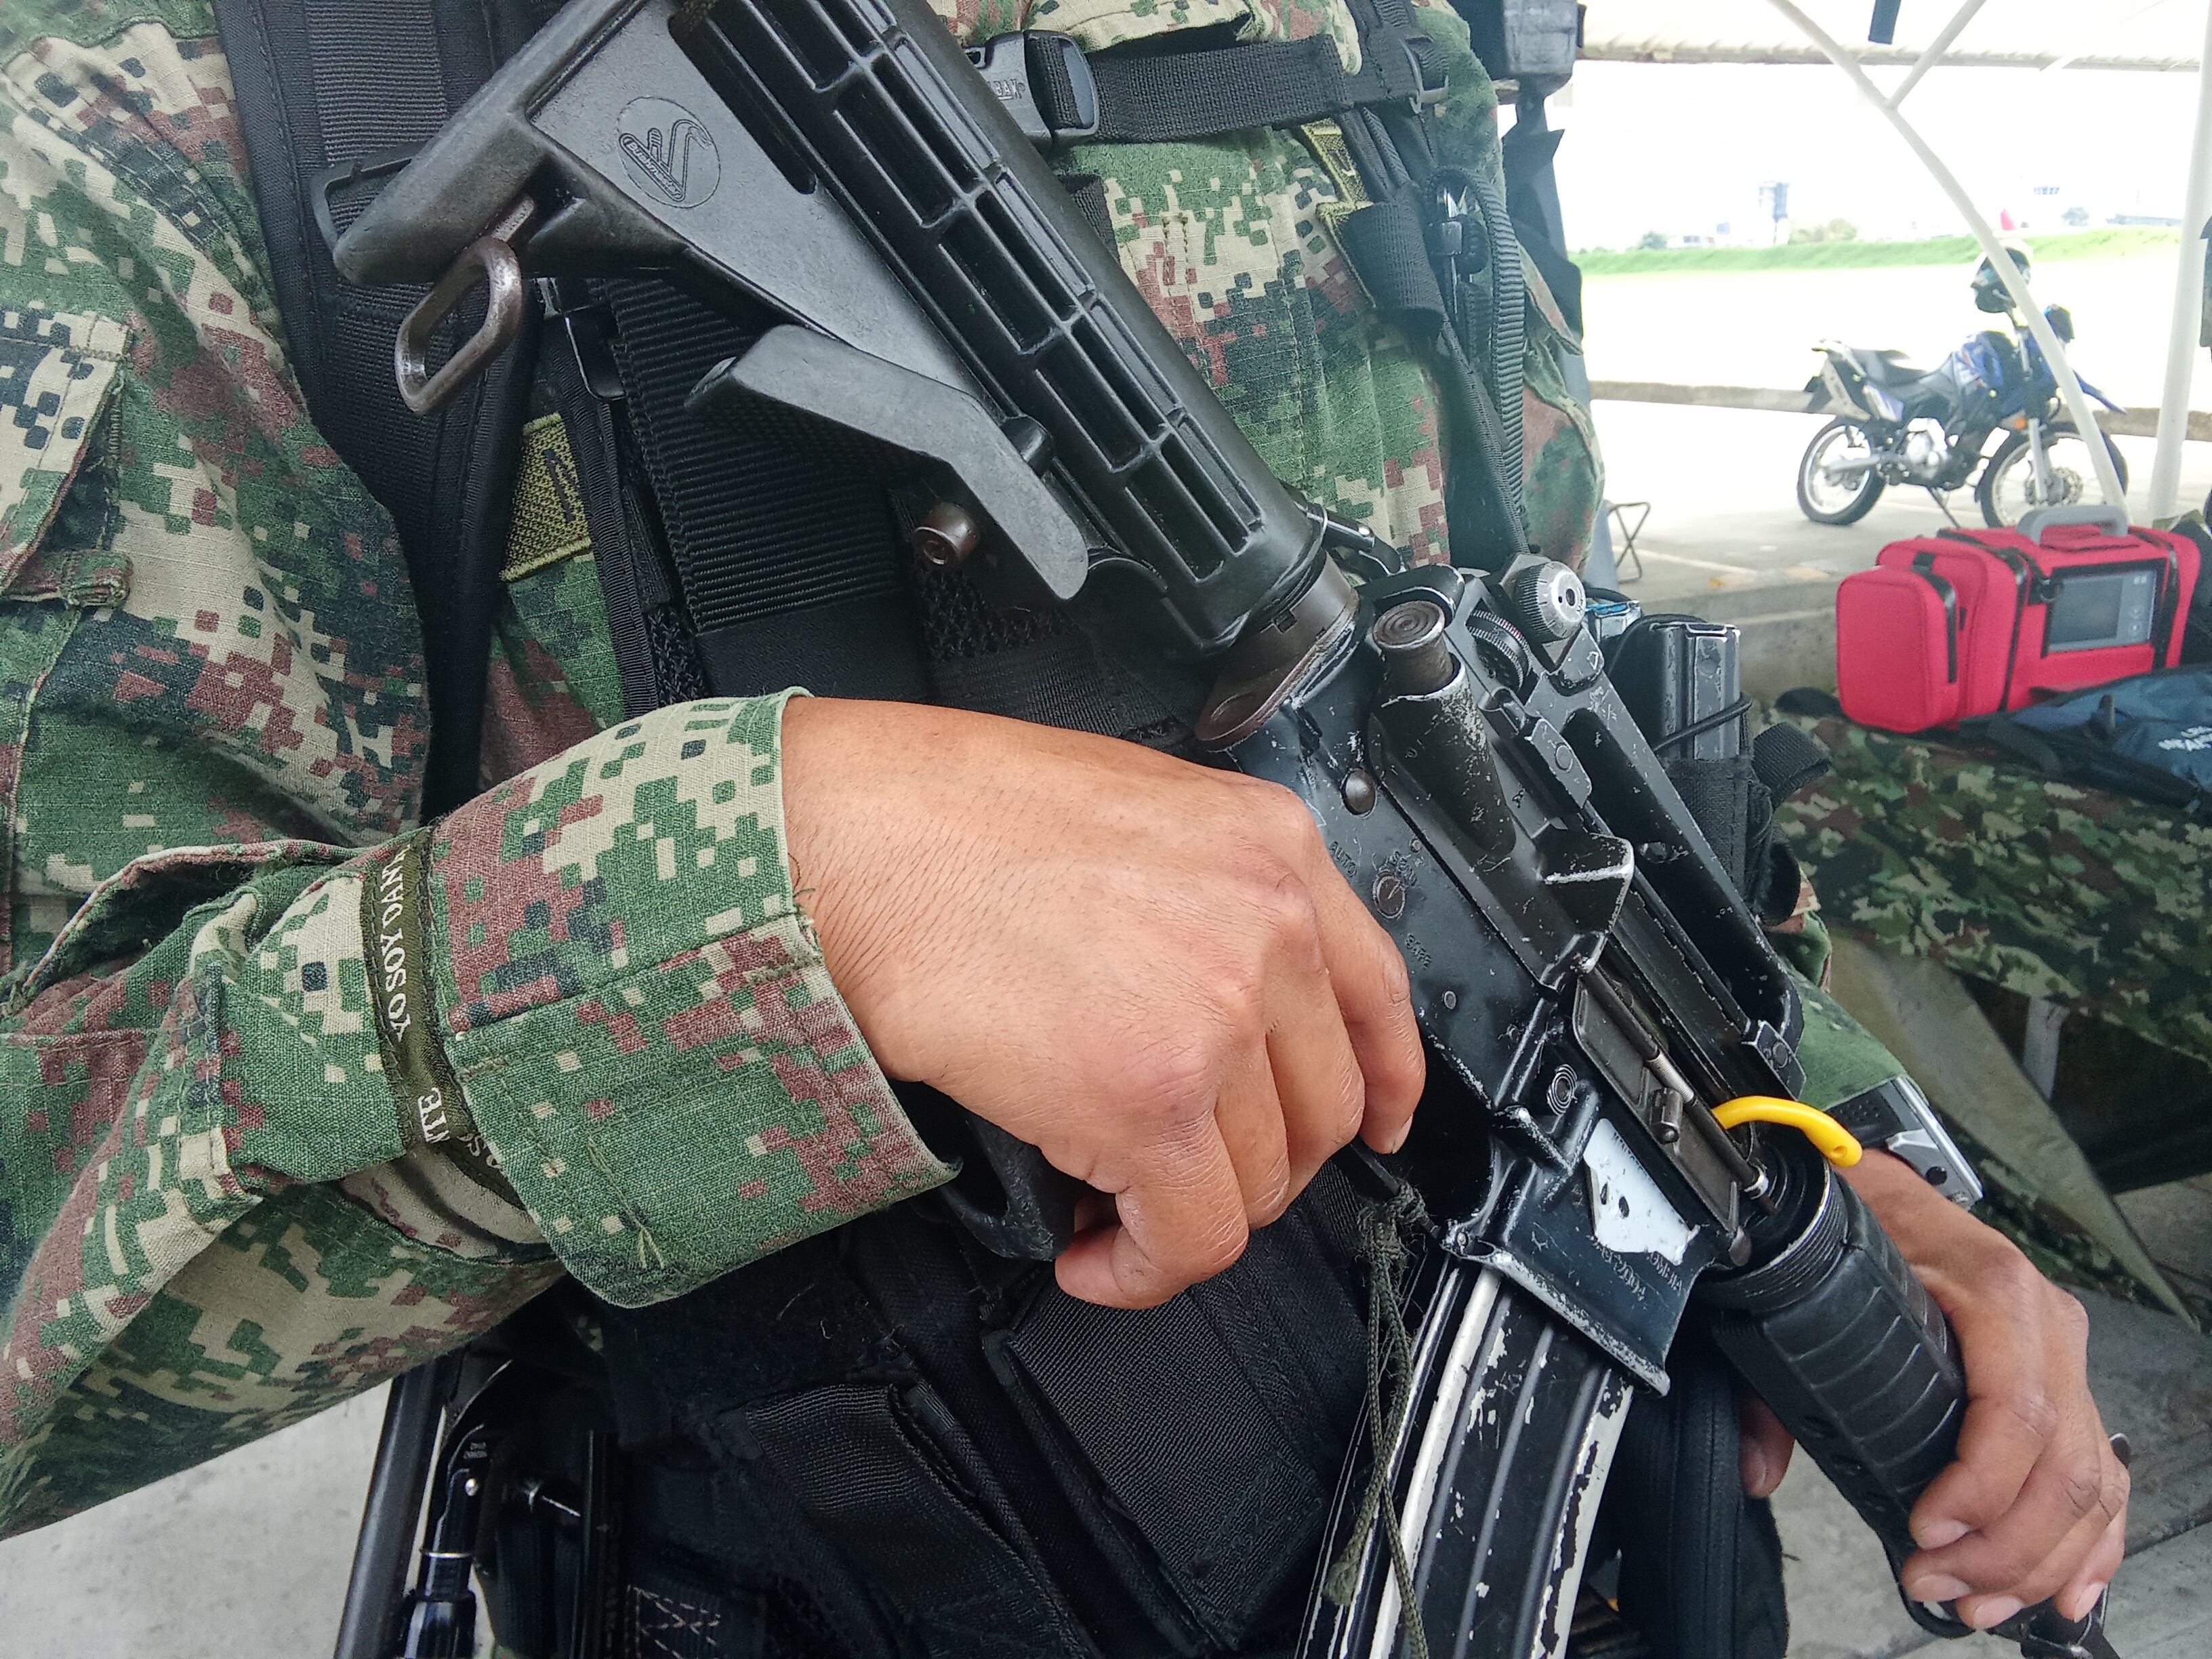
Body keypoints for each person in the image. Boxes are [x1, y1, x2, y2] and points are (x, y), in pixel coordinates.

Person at [0, 0, 2125, 1640]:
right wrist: (758, 900)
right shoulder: (177, 88)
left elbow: (1532, 753)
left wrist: (1842, 1155)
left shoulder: (1404, 32)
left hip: (1631, 1552)